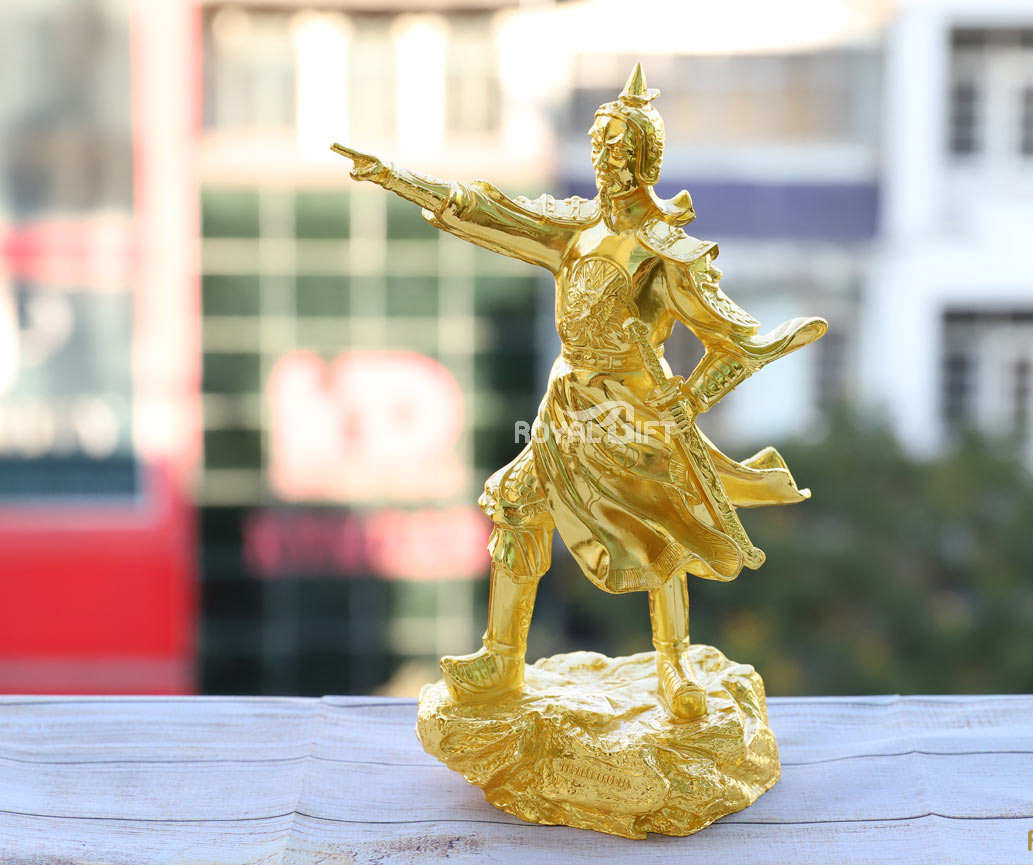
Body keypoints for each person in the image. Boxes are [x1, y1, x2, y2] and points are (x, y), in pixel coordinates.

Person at [334, 63, 825, 720]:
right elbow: (486, 214)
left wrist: (690, 399)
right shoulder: (574, 229)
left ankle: (675, 661)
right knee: (517, 502)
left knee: (661, 530)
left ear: (645, 160)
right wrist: (396, 178)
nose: (606, 160)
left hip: (634, 411)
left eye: (620, 149)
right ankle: (501, 658)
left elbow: (736, 345)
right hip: (567, 404)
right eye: (600, 146)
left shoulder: (665, 251)